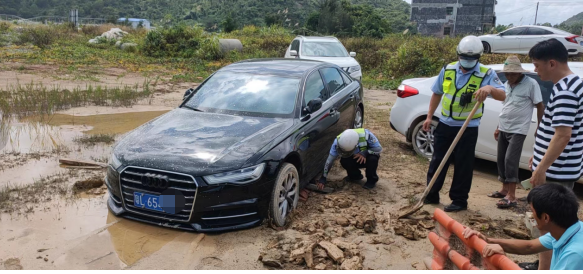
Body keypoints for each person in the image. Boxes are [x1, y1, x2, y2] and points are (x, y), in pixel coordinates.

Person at [422, 35, 506, 212]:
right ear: (458, 54)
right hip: (445, 124)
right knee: (438, 161)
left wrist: (489, 89)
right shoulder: (449, 69)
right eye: (464, 58)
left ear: (478, 57)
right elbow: (437, 93)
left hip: (468, 127)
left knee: (463, 165)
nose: (467, 61)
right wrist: (429, 116)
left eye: (471, 59)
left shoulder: (486, 73)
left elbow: (503, 95)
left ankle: (459, 200)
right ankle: (431, 194)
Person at [526, 39, 583, 270]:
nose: (535, 70)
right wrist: (537, 156)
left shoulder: (566, 91)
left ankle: (546, 268)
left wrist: (541, 168)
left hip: (556, 172)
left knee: (549, 223)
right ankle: (546, 265)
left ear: (552, 63)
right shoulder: (572, 84)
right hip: (559, 167)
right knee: (554, 224)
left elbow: (562, 135)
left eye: (537, 65)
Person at [462, 184, 583, 270]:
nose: (531, 215)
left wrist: (504, 261)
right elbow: (529, 246)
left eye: (532, 211)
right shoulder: (568, 229)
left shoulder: (574, 255)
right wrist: (487, 240)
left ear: (546, 218)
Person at [487, 56, 545, 208]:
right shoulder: (506, 84)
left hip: (519, 129)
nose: (509, 76)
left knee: (510, 160)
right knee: (500, 159)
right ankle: (504, 189)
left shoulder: (531, 84)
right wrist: (498, 126)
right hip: (504, 126)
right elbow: (506, 107)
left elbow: (539, 105)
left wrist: (540, 126)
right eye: (507, 74)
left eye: (512, 73)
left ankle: (512, 196)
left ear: (519, 73)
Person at [317, 128, 382, 190]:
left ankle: (371, 180)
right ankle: (355, 176)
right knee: (344, 161)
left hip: (367, 157)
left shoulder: (367, 135)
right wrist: (323, 177)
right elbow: (329, 161)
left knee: (373, 159)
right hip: (353, 158)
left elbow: (379, 149)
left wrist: (364, 153)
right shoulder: (337, 142)